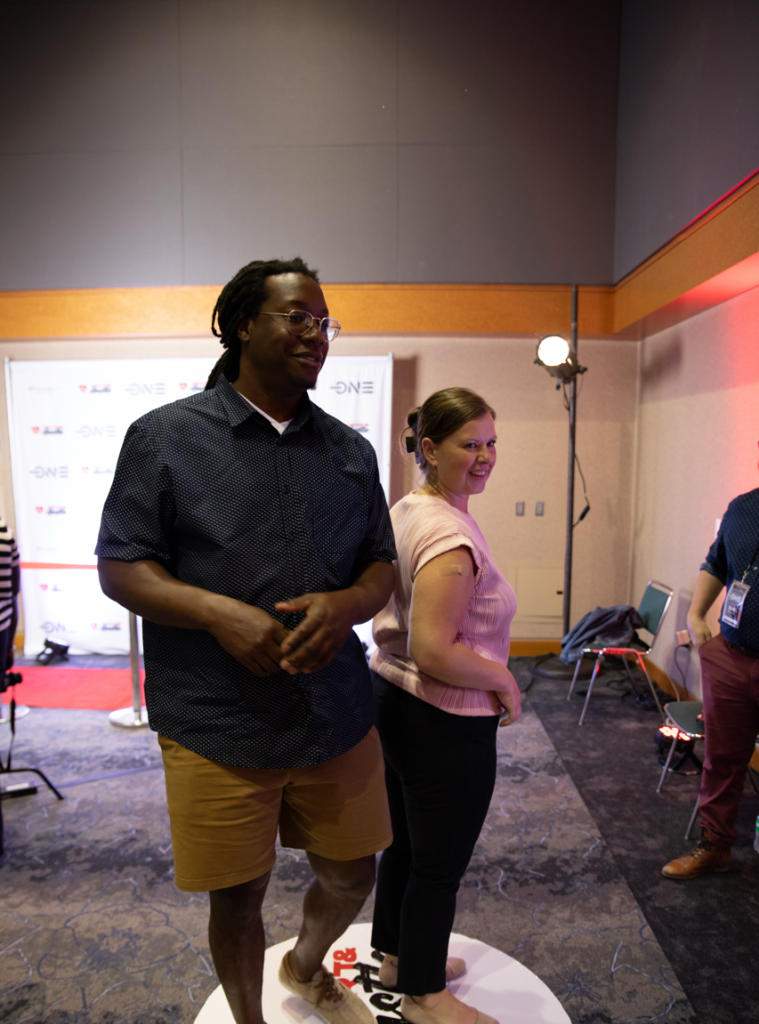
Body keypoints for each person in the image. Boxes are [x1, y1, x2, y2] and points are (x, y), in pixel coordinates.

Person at [96, 258, 396, 1024]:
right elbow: (121, 567)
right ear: (240, 325)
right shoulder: (164, 439)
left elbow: (380, 566)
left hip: (334, 708)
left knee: (352, 875)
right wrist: (216, 613)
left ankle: (304, 965)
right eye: (296, 316)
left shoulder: (350, 452)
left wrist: (347, 604)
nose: (315, 334)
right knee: (237, 899)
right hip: (216, 717)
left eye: (323, 322)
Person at [369, 388, 522, 1024]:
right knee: (437, 865)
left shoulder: (411, 506)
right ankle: (424, 997)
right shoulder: (448, 536)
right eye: (470, 444)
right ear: (430, 449)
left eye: (491, 442)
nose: (485, 456)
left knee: (407, 845)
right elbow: (434, 649)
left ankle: (397, 959)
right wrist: (503, 679)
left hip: (397, 700)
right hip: (442, 717)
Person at [662, 478, 759, 880]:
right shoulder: (742, 508)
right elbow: (716, 562)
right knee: (722, 760)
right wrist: (696, 614)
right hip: (732, 655)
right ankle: (715, 846)